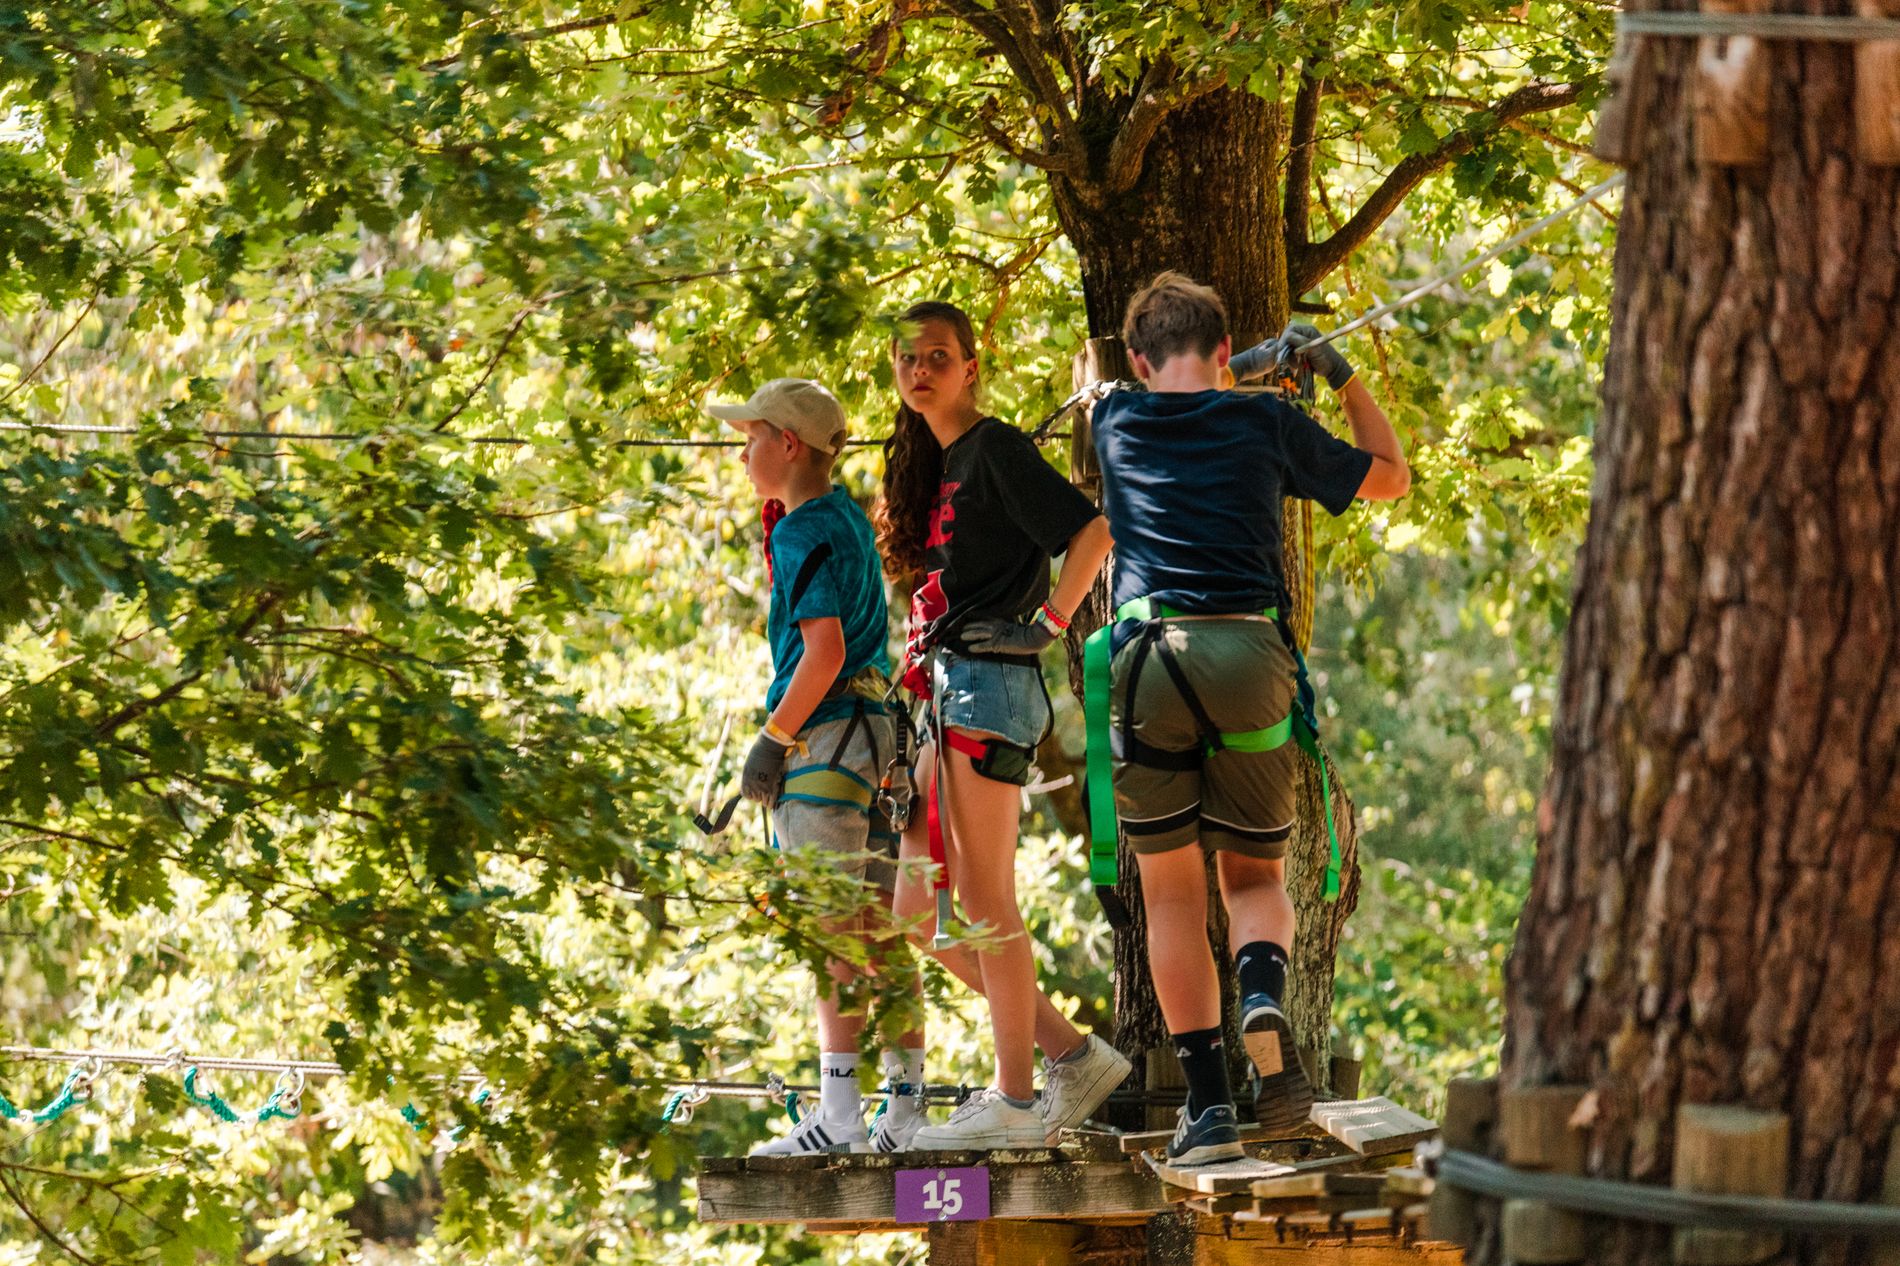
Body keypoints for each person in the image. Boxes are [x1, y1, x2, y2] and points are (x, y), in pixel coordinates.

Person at [1091, 273, 1409, 1166]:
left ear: (1139, 357)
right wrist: (1335, 372)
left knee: (1172, 896)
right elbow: (1392, 478)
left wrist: (1241, 379)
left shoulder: (1111, 423)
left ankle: (1209, 1107)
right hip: (1249, 656)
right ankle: (1261, 991)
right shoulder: (1264, 423)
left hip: (1150, 659)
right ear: (1225, 350)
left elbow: (1144, 398)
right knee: (1253, 878)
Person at [875, 301, 1131, 1150]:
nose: (921, 369)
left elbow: (1093, 531)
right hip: (942, 695)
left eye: (938, 356)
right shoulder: (939, 460)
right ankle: (1070, 1057)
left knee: (985, 903)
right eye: (909, 357)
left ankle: (1015, 1104)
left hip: (989, 688)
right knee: (918, 912)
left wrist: (1052, 623)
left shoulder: (995, 448)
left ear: (971, 365)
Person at [709, 377, 921, 1155]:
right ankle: (905, 1110)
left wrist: (773, 738)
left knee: (832, 933)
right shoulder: (848, 520)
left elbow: (823, 651)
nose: (742, 452)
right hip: (878, 741)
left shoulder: (801, 528)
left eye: (751, 436)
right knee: (878, 930)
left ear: (787, 444)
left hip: (825, 741)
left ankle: (838, 1115)